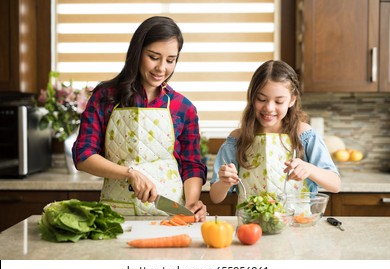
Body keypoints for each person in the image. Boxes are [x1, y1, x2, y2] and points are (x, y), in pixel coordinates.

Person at [72, 16, 208, 222]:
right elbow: (83, 156)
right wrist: (130, 174)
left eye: (170, 60)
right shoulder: (105, 97)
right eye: (154, 57)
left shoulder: (184, 108)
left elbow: (192, 165)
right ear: (137, 53)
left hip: (170, 215)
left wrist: (191, 203)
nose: (162, 68)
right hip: (117, 215)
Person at [209, 60, 341, 205]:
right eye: (261, 99)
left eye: (278, 102)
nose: (269, 108)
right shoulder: (237, 138)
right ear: (252, 98)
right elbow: (215, 197)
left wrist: (310, 169)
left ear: (291, 100)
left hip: (297, 222)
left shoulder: (304, 134)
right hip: (252, 225)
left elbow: (335, 184)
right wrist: (224, 182)